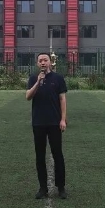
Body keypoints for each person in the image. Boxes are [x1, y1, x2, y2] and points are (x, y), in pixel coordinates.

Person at [25, 52, 68, 199]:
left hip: (54, 122)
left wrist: (63, 119)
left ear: (50, 62)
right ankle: (43, 188)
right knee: (40, 156)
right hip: (38, 123)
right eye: (40, 60)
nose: (43, 62)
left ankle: (61, 187)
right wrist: (38, 82)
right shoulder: (33, 78)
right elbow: (28, 97)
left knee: (58, 155)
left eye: (45, 60)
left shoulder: (58, 78)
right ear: (37, 63)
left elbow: (62, 99)